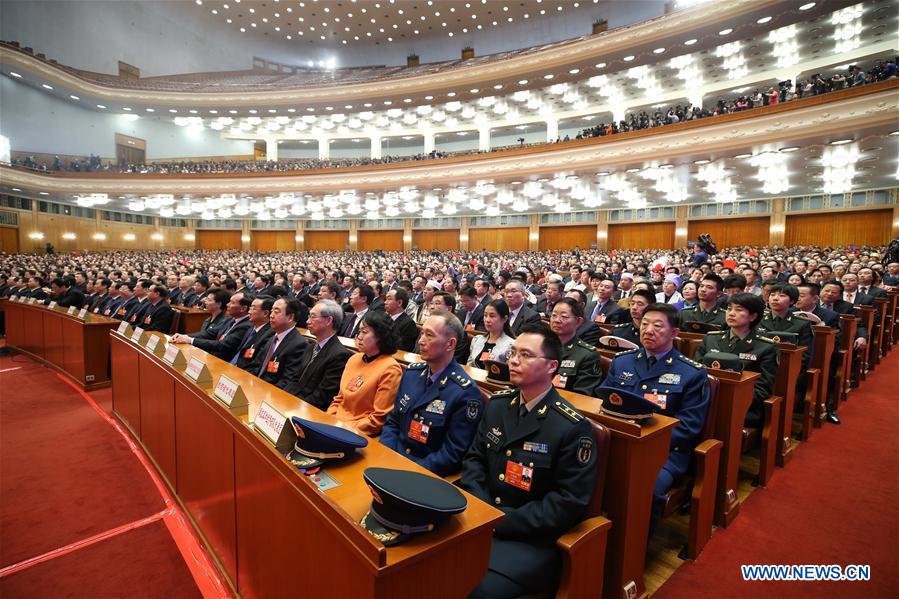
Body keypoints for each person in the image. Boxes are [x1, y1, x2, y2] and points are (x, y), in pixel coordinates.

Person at [460, 322, 597, 599]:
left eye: (525, 355)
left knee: (474, 588)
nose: (513, 360)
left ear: (551, 367)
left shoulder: (571, 427)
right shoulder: (498, 405)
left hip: (530, 540)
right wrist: (481, 506)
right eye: (513, 352)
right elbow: (474, 459)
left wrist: (502, 520)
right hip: (481, 519)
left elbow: (567, 502)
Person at [600, 303, 709, 537]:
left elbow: (689, 425)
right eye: (645, 324)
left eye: (657, 326)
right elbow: (603, 403)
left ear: (674, 333)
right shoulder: (622, 362)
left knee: (645, 486)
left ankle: (633, 549)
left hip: (664, 452)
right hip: (618, 442)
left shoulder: (691, 372)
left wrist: (646, 442)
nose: (648, 330)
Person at [380, 311, 481, 475]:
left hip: (423, 473)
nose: (421, 341)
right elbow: (393, 421)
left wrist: (411, 471)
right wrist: (386, 454)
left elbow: (452, 453)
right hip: (392, 458)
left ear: (450, 344)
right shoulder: (412, 374)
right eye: (422, 333)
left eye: (429, 335)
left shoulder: (465, 393)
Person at [695, 293, 778, 427]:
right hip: (706, 400)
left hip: (743, 406)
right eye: (729, 309)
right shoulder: (711, 338)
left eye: (738, 310)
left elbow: (763, 389)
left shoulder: (766, 347)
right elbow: (696, 372)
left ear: (753, 316)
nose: (731, 313)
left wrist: (728, 399)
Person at [327, 311, 403, 436]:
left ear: (381, 336)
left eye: (365, 332)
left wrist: (344, 429)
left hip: (357, 432)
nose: (359, 337)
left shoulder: (390, 369)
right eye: (359, 331)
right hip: (336, 424)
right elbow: (339, 399)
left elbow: (378, 418)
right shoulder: (354, 359)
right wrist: (328, 419)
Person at [286, 299, 353, 408]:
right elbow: (295, 379)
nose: (307, 321)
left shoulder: (339, 355)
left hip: (307, 409)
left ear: (328, 320)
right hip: (293, 402)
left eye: (312, 316)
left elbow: (322, 397)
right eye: (308, 316)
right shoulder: (311, 347)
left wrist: (293, 405)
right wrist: (282, 396)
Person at [244, 297, 308, 391]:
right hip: (254, 386)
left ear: (290, 317)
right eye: (271, 311)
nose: (271, 315)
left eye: (276, 312)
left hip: (269, 393)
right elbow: (256, 365)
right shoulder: (272, 338)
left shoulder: (299, 344)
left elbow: (287, 381)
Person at [171, 292, 252, 361]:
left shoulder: (246, 326)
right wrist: (185, 336)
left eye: (232, 303)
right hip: (212, 357)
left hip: (223, 362)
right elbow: (211, 333)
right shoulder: (231, 319)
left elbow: (223, 345)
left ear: (243, 308)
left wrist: (191, 340)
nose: (227, 304)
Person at [548, 298, 603, 396]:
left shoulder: (587, 355)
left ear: (578, 321)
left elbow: (582, 395)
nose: (557, 320)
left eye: (564, 317)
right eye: (554, 315)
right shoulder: (539, 346)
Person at [756, 283, 813, 369]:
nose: (775, 298)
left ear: (792, 301)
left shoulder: (802, 324)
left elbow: (804, 355)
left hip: (788, 368)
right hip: (759, 368)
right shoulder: (758, 320)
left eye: (782, 296)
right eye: (772, 295)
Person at [467, 299, 515, 369]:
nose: (487, 320)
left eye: (492, 316)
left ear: (505, 319)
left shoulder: (511, 345)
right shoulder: (477, 340)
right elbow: (469, 366)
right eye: (485, 315)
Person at [230, 295, 275, 369]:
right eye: (250, 308)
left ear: (265, 313)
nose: (249, 312)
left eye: (253, 308)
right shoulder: (250, 328)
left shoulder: (269, 335)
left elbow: (256, 365)